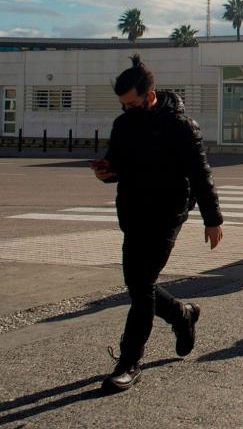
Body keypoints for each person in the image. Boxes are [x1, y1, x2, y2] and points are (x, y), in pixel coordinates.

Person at [89, 55, 223, 392]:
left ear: (149, 95)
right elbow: (119, 165)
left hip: (168, 213)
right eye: (122, 105)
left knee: (142, 285)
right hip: (133, 211)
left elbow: (200, 174)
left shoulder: (181, 126)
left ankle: (130, 361)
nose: (127, 109)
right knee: (138, 285)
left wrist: (213, 219)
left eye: (132, 103)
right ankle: (182, 314)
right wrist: (107, 172)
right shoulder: (124, 125)